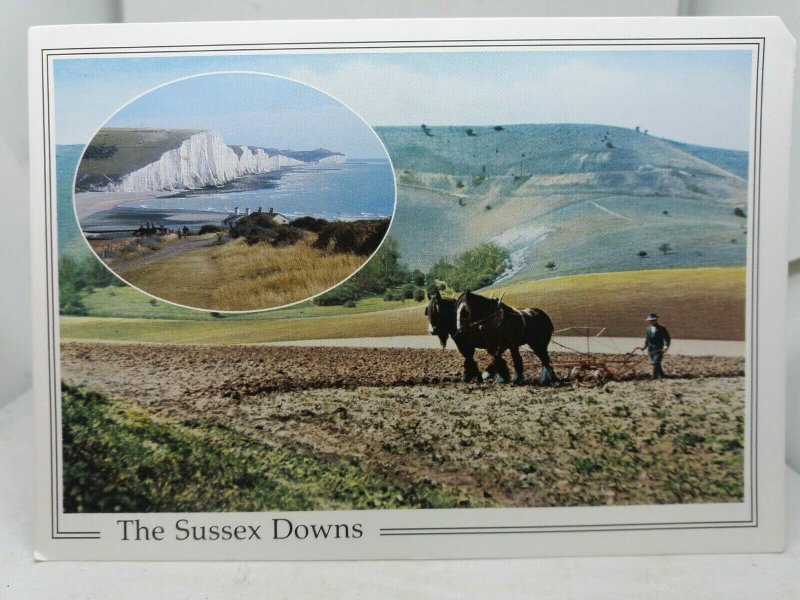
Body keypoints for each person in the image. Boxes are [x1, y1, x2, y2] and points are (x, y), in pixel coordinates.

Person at [637, 313, 671, 379]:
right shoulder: (648, 329)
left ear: (656, 320)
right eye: (650, 321)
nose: (651, 322)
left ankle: (654, 376)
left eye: (653, 320)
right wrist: (645, 346)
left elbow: (667, 338)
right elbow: (647, 339)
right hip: (650, 348)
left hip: (658, 348)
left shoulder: (661, 329)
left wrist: (666, 346)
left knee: (655, 362)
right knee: (656, 362)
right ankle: (662, 375)